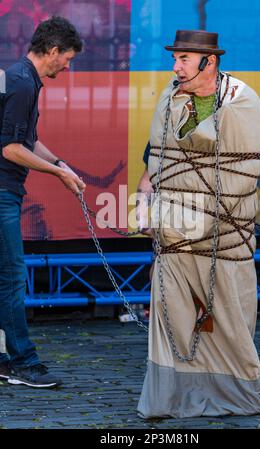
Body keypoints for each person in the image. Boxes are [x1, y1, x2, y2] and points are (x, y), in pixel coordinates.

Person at [136, 29, 260, 418]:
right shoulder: (170, 99)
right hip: (174, 231)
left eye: (183, 59)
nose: (176, 66)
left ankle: (240, 390)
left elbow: (239, 165)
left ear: (209, 62)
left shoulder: (240, 101)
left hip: (222, 233)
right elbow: (157, 156)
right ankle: (170, 396)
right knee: (174, 316)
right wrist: (145, 202)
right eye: (175, 58)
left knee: (228, 318)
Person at [0, 16, 86, 388]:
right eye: (66, 58)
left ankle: (8, 360)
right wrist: (59, 175)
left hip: (6, 193)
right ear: (52, 51)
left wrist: (60, 163)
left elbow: (27, 139)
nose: (67, 66)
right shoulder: (21, 84)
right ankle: (23, 363)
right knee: (13, 280)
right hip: (2, 194)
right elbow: (11, 148)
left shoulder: (23, 78)